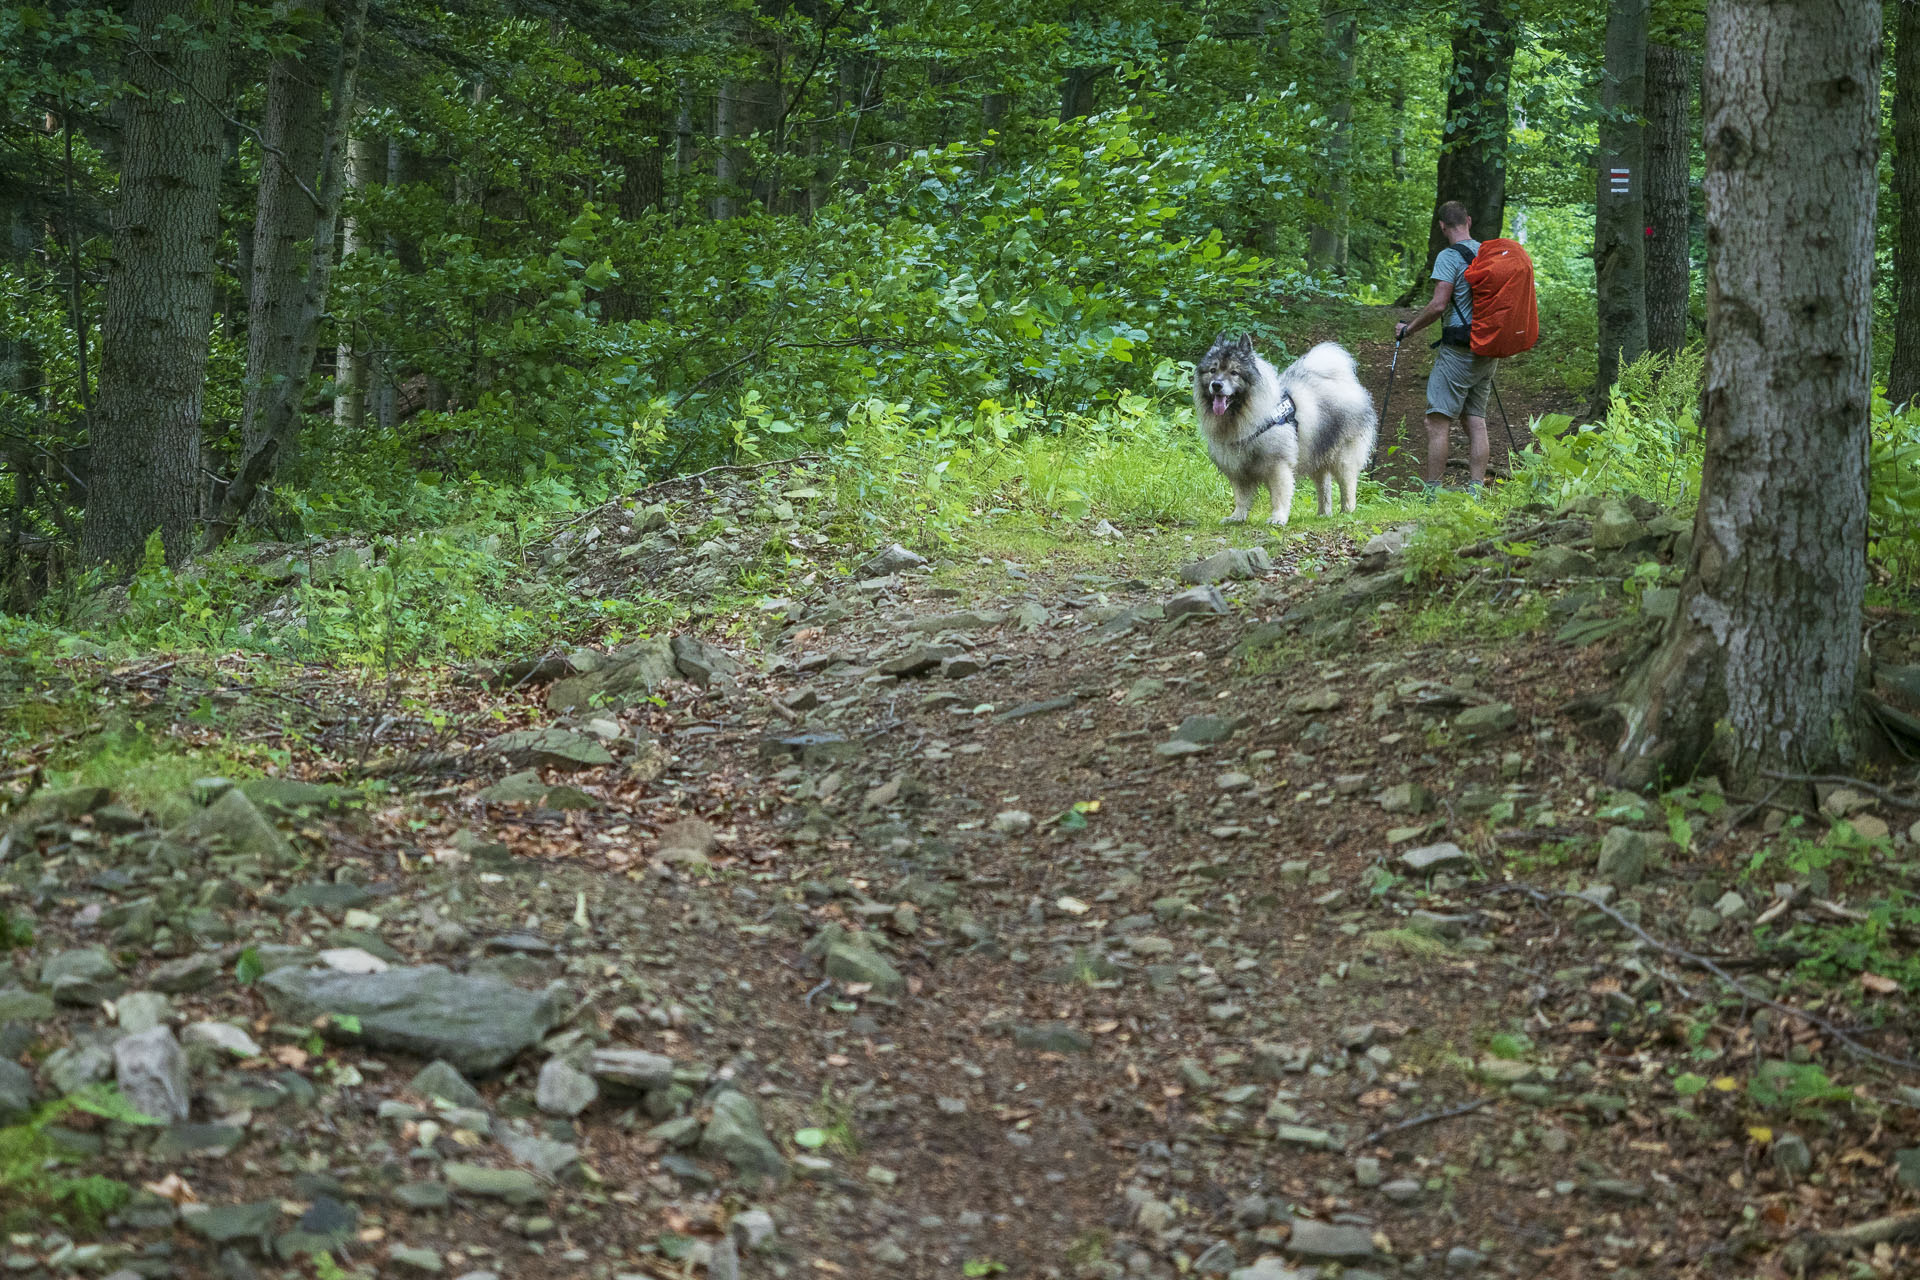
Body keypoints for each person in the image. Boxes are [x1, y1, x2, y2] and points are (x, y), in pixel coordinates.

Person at [1394, 201, 1497, 496]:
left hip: (1459, 350)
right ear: (1469, 220)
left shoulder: (1449, 257)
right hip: (1488, 347)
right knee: (1475, 419)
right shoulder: (1487, 252)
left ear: (1442, 227)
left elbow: (1439, 304)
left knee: (1436, 421)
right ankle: (1475, 491)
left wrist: (1409, 330)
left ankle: (1432, 493)